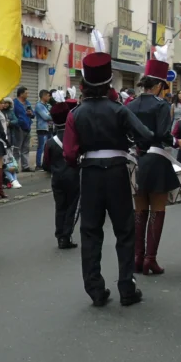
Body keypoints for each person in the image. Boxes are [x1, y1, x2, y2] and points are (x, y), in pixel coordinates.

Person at [63, 52, 154, 307]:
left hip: (90, 172)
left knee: (91, 232)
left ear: (84, 84)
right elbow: (145, 135)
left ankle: (95, 289)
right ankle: (127, 287)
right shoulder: (119, 110)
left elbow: (69, 154)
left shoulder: (75, 114)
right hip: (116, 171)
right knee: (125, 230)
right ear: (109, 83)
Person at [126, 53, 181, 276]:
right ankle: (150, 259)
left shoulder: (130, 105)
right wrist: (178, 142)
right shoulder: (161, 106)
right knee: (157, 210)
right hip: (157, 160)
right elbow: (162, 134)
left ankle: (137, 258)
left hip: (137, 160)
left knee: (139, 210)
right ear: (159, 84)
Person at [41, 99, 79, 250]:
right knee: (71, 207)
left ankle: (59, 235)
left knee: (60, 207)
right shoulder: (76, 138)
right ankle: (66, 236)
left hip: (57, 179)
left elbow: (45, 165)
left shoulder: (49, 142)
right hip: (73, 177)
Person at [9, 87, 32, 172]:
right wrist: (17, 123)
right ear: (21, 94)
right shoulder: (15, 103)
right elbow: (12, 115)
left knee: (26, 148)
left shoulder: (27, 103)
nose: (27, 95)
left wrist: (31, 113)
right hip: (19, 128)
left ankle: (25, 166)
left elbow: (32, 114)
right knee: (17, 148)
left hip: (27, 127)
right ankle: (15, 166)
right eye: (26, 93)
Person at [34, 89, 53, 168]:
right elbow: (46, 117)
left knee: (48, 147)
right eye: (48, 96)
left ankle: (46, 163)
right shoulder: (39, 105)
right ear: (44, 96)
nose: (49, 97)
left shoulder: (47, 105)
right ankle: (38, 165)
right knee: (41, 147)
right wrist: (53, 116)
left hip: (49, 128)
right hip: (42, 129)